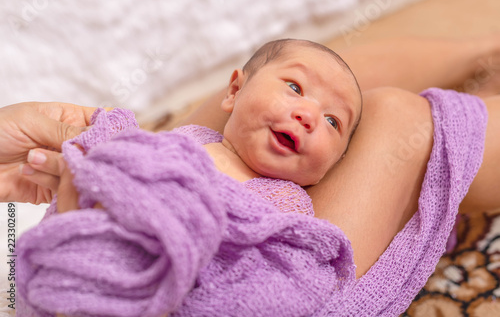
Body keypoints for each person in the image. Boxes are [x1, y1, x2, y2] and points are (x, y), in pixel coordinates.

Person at [3, 35, 499, 316]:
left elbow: (297, 271)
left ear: (327, 170)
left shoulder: (289, 204)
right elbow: (116, 155)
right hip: (102, 271)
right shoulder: (187, 143)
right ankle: (482, 54)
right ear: (232, 91)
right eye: (294, 87)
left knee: (389, 109)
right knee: (391, 109)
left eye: (333, 123)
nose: (308, 114)